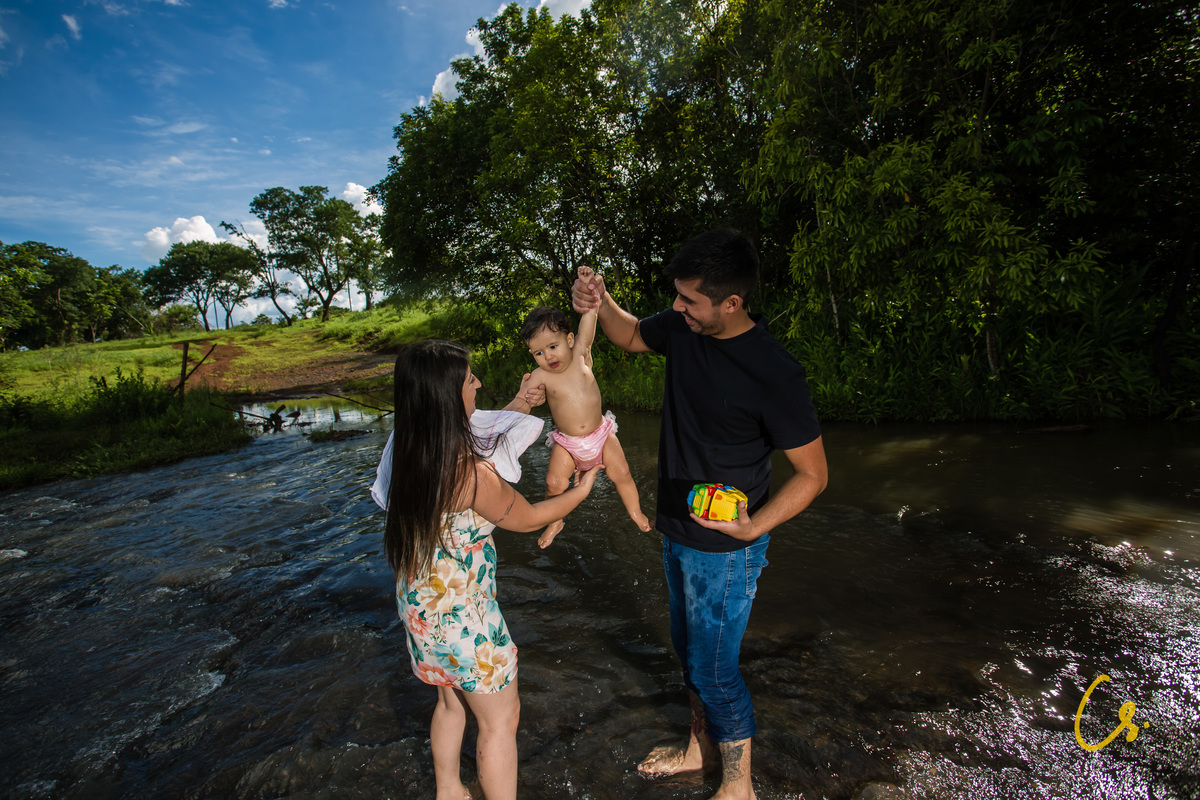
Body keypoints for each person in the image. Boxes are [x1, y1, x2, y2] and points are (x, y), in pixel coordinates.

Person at [572, 229, 828, 800]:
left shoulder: (775, 372)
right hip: (677, 529)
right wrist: (601, 299)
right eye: (678, 297)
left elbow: (813, 475)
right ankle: (698, 749)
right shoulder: (685, 328)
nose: (678, 308)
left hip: (728, 549)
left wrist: (755, 527)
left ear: (730, 303)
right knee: (691, 655)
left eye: (689, 299)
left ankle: (738, 789)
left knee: (715, 669)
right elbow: (633, 335)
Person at [373, 339, 599, 800]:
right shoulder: (468, 475)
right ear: (447, 396)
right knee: (500, 720)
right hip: (464, 616)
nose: (477, 383)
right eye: (469, 379)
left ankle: (450, 791)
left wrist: (519, 403)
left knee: (450, 701)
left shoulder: (406, 446)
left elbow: (474, 428)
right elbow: (529, 517)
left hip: (420, 606)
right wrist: (581, 490)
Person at [519, 266, 652, 548]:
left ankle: (635, 512)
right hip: (567, 442)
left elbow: (589, 316)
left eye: (552, 347)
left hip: (600, 435)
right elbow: (526, 397)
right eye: (539, 353)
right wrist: (531, 398)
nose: (547, 357)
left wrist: (589, 285)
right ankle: (555, 521)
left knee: (622, 474)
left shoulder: (581, 354)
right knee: (554, 482)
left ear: (568, 341)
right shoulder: (541, 375)